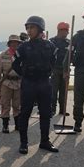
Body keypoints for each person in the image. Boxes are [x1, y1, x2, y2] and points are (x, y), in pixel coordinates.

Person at [12, 16, 59, 154]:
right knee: (25, 113)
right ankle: (23, 143)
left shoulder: (50, 46)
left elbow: (54, 62)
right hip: (29, 83)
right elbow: (15, 64)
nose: (29, 30)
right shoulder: (23, 46)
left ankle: (44, 141)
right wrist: (25, 74)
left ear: (40, 29)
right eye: (27, 28)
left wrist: (46, 73)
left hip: (44, 83)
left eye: (32, 27)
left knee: (45, 113)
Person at [0, 35, 22, 133]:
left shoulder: (21, 55)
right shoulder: (3, 55)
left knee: (17, 104)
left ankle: (17, 124)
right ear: (9, 43)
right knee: (5, 104)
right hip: (6, 82)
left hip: (19, 82)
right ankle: (5, 125)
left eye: (16, 42)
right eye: (12, 42)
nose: (14, 44)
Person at [49, 22, 70, 116]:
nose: (66, 33)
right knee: (53, 90)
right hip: (55, 69)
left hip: (65, 70)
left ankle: (62, 110)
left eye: (67, 31)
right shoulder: (52, 42)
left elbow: (72, 55)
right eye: (65, 31)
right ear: (59, 31)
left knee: (63, 91)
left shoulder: (69, 43)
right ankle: (52, 109)